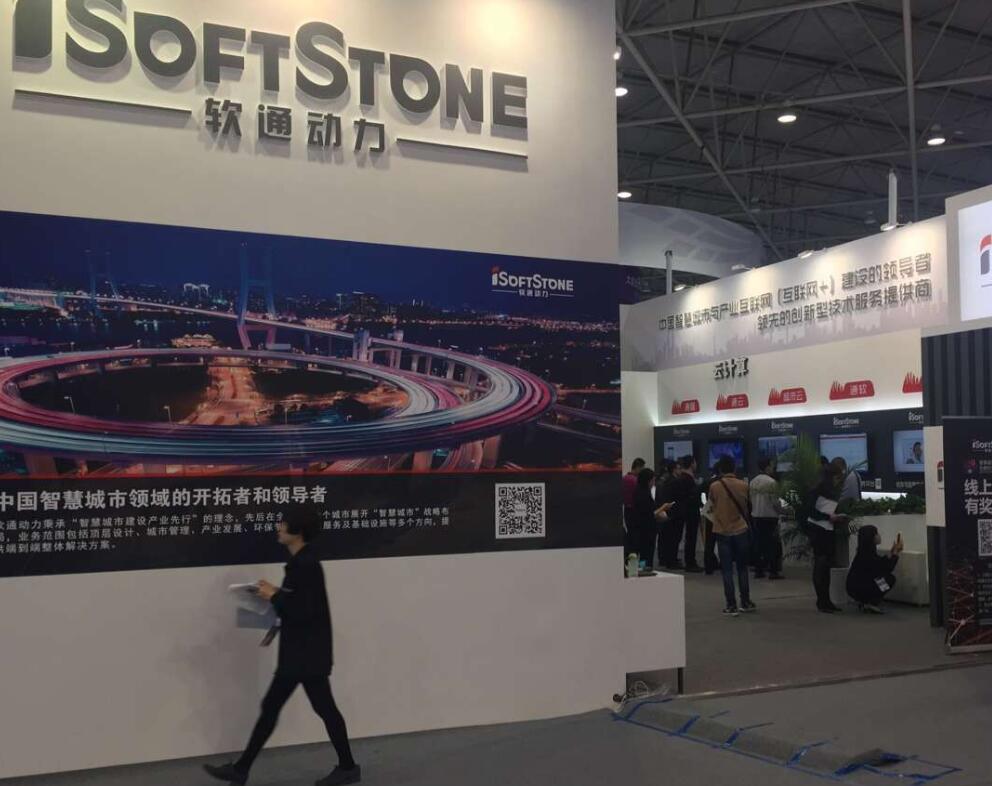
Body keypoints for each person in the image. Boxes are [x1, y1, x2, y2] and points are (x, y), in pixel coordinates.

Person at [203, 508, 361, 786]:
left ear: (297, 531)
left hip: (304, 655)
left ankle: (241, 770)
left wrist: (274, 595)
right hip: (304, 652)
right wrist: (275, 601)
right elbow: (298, 603)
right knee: (316, 708)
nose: (278, 527)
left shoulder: (305, 565)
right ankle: (346, 767)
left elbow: (304, 610)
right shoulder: (301, 562)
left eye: (283, 523)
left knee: (292, 708)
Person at [707, 455, 755, 616]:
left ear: (720, 469)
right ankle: (745, 602)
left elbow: (711, 506)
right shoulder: (744, 485)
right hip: (741, 529)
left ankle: (731, 605)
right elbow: (748, 507)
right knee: (742, 568)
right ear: (734, 468)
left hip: (722, 531)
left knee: (727, 570)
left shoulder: (714, 486)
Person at [807, 463, 849, 613]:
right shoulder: (817, 491)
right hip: (819, 530)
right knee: (821, 565)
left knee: (825, 567)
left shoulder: (829, 492)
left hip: (827, 529)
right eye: (837, 478)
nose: (838, 482)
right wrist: (828, 517)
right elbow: (811, 511)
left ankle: (826, 600)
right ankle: (822, 600)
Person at [847, 526, 903, 613]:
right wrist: (895, 553)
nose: (879, 536)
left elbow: (881, 564)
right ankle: (871, 602)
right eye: (876, 533)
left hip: (854, 587)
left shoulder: (864, 552)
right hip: (860, 588)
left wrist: (893, 552)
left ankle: (865, 601)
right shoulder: (868, 554)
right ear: (871, 537)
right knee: (889, 579)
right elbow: (887, 568)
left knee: (881, 579)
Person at [665, 455, 704, 572]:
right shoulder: (688, 480)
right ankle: (690, 562)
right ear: (692, 464)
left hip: (680, 511)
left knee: (678, 536)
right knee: (690, 537)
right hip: (690, 511)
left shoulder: (679, 479)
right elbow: (692, 497)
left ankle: (674, 560)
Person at [750, 458, 785, 580]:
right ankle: (773, 571)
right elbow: (775, 502)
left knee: (759, 544)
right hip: (770, 517)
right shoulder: (772, 482)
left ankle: (759, 570)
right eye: (771, 466)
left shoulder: (753, 482)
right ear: (767, 467)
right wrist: (782, 511)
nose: (773, 468)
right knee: (772, 545)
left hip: (756, 516)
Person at [632, 467, 674, 570]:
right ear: (648, 480)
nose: (653, 483)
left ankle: (640, 569)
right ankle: (644, 570)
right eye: (652, 480)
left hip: (641, 527)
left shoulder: (639, 491)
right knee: (646, 553)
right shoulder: (644, 494)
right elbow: (650, 513)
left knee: (641, 553)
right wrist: (663, 507)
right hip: (646, 529)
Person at [622, 458, 646, 559]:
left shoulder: (624, 478)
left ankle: (629, 557)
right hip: (635, 511)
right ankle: (634, 558)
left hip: (627, 510)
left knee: (630, 535)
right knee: (636, 537)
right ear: (638, 467)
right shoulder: (635, 481)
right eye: (642, 469)